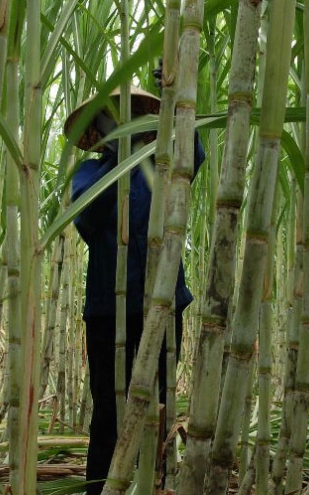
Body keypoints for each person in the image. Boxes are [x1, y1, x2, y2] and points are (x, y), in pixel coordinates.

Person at [66, 80, 205, 495]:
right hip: (109, 310)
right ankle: (101, 489)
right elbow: (87, 218)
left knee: (157, 407)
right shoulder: (89, 173)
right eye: (111, 119)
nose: (121, 123)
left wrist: (179, 95)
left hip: (163, 303)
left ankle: (152, 484)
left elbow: (194, 154)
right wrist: (122, 159)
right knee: (109, 412)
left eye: (129, 115)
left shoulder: (163, 162)